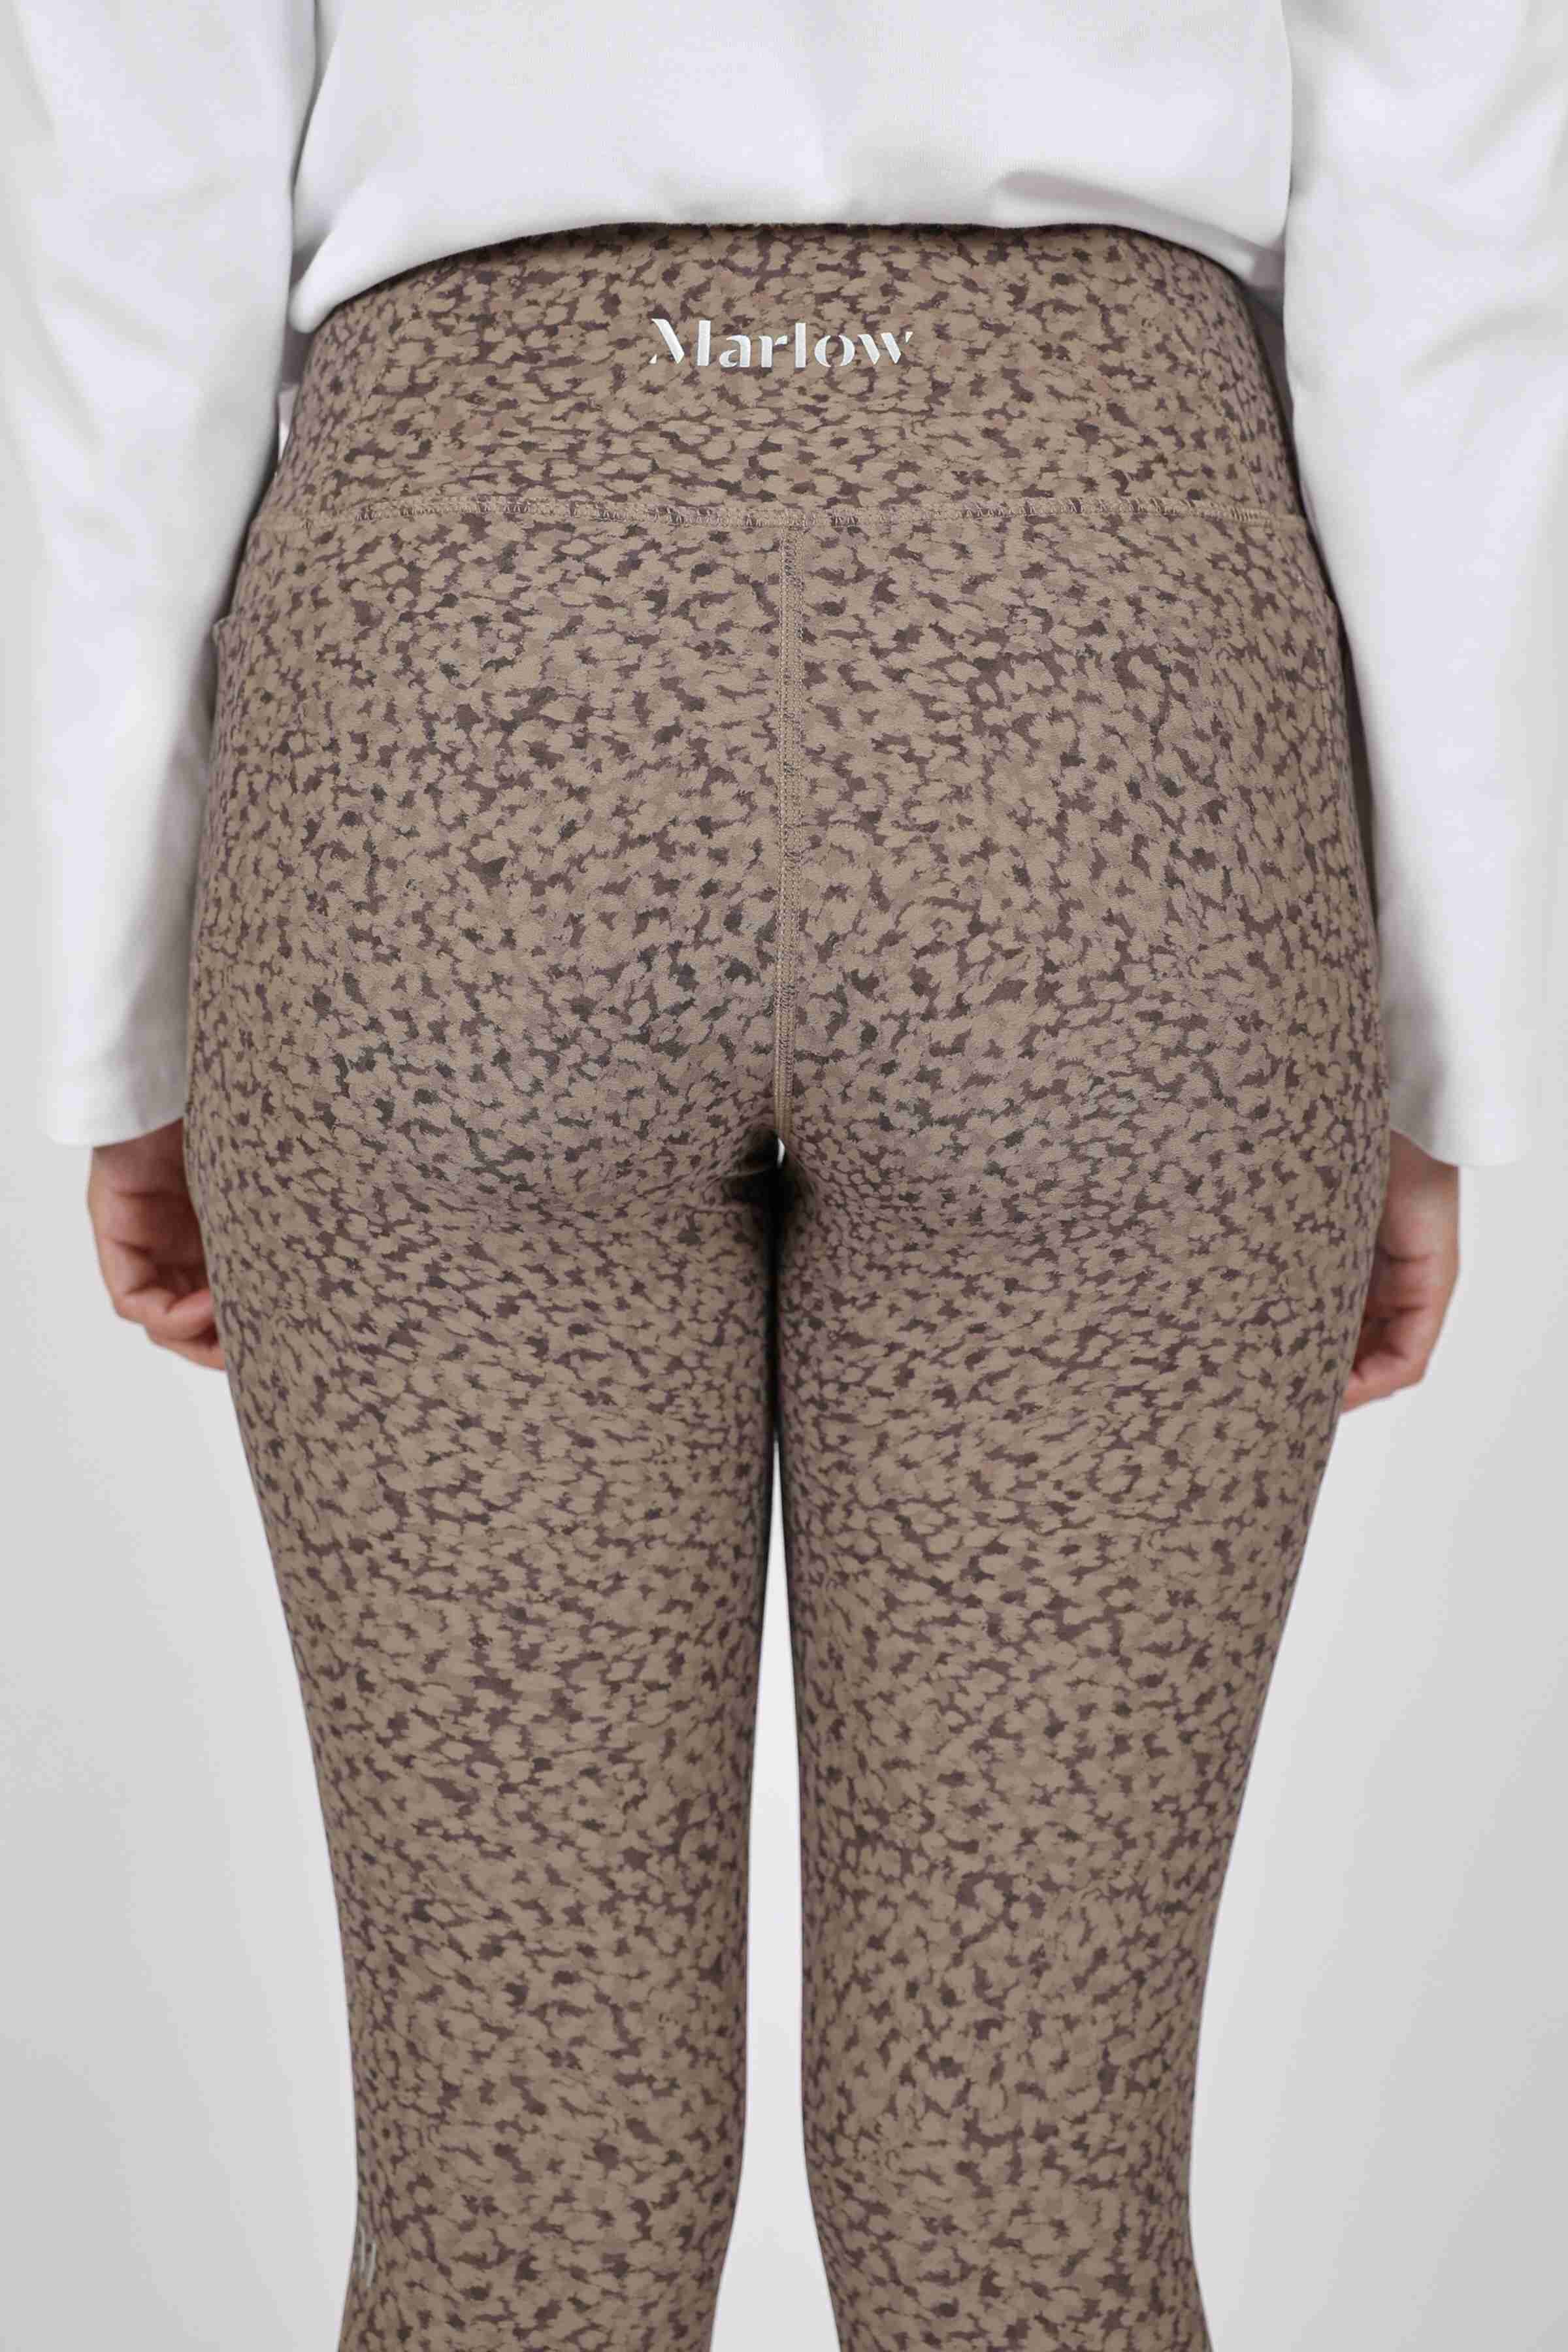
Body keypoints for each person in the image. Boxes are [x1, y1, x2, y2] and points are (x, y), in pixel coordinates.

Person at [5, 7, 1562, 2349]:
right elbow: (1452, 186)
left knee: (515, 2220)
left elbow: (130, 183)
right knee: (1028, 2224)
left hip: (463, 687)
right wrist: (1440, 1035)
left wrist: (117, 1004)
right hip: (1099, 681)